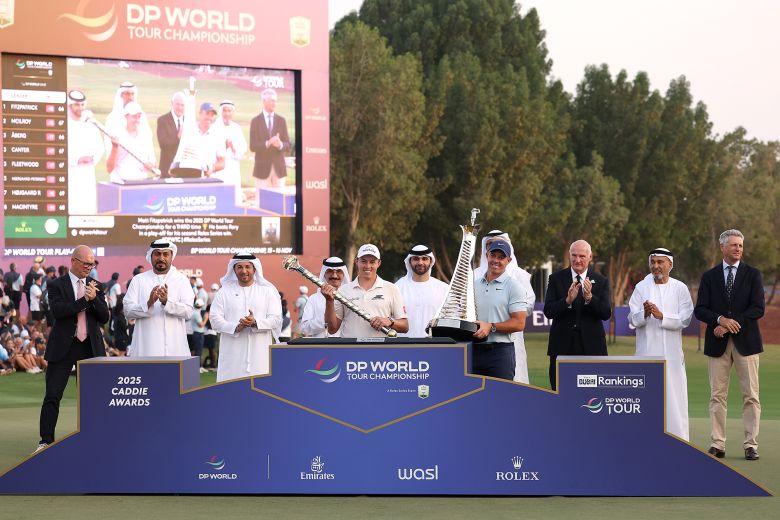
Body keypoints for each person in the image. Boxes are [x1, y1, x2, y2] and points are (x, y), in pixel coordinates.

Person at [694, 229, 765, 461]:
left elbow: (757, 308)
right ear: (722, 247)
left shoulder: (753, 275)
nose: (738, 249)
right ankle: (717, 444)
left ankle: (751, 445)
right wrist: (719, 320)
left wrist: (729, 324)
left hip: (747, 344)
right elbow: (700, 309)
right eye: (734, 245)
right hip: (717, 345)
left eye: (740, 245)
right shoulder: (709, 276)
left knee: (751, 396)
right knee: (717, 396)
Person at [36, 245, 109, 452]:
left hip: (90, 348)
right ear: (73, 261)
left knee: (92, 398)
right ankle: (45, 441)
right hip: (63, 348)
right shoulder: (56, 284)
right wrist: (85, 300)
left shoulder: (96, 285)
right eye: (86, 263)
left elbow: (104, 317)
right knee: (52, 395)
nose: (89, 267)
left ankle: (92, 439)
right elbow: (58, 311)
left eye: (92, 264)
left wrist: (94, 300)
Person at [628, 248, 693, 441]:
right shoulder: (641, 287)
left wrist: (662, 316)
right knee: (646, 398)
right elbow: (632, 318)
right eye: (653, 262)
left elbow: (686, 318)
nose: (656, 266)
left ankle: (678, 440)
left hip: (672, 356)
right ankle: (645, 439)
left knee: (675, 398)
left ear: (670, 265)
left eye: (660, 262)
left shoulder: (680, 288)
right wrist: (645, 313)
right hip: (646, 353)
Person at [543, 239, 611, 390]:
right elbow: (548, 311)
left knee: (592, 396)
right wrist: (567, 300)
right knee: (560, 393)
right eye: (574, 255)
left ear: (590, 257)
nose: (577, 260)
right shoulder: (556, 279)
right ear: (569, 255)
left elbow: (606, 313)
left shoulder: (601, 281)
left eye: (582, 256)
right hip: (561, 348)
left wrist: (590, 298)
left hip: (592, 349)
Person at [209, 252, 282, 382]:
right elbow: (214, 319)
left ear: (254, 269)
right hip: (231, 358)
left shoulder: (267, 291)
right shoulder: (224, 292)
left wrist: (256, 322)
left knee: (259, 390)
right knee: (229, 390)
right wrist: (236, 327)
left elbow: (276, 319)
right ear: (234, 270)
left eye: (248, 267)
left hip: (259, 357)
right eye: (240, 267)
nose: (244, 271)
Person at [475, 230, 536, 383]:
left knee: (510, 389)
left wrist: (492, 325)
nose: (496, 260)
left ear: (508, 259)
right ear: (486, 254)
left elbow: (523, 314)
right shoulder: (474, 279)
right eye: (493, 254)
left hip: (505, 346)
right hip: (475, 349)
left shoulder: (518, 279)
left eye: (501, 257)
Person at [123, 238, 193, 356]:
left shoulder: (182, 280)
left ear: (171, 256)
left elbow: (188, 312)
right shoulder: (138, 280)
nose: (161, 258)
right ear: (151, 256)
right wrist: (148, 303)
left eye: (165, 254)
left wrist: (167, 302)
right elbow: (127, 310)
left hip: (175, 350)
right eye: (157, 254)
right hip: (146, 350)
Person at [323, 244, 408, 338]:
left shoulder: (391, 288)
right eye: (363, 261)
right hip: (350, 346)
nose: (368, 266)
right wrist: (329, 301)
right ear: (356, 261)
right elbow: (332, 329)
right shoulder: (343, 290)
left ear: (379, 263)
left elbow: (405, 326)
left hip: (381, 347)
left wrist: (389, 321)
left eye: (372, 262)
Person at [395, 244, 448, 338]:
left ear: (430, 261)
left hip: (434, 344)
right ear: (410, 261)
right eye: (416, 259)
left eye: (424, 259)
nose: (420, 262)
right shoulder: (397, 288)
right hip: (403, 344)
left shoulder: (444, 289)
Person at [66, 89, 103, 214]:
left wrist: (93, 159)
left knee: (88, 206)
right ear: (69, 106)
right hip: (71, 173)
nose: (80, 108)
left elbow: (100, 147)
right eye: (77, 105)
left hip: (88, 173)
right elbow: (59, 150)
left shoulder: (90, 124)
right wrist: (76, 160)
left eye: (82, 104)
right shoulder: (64, 125)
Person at [171, 98, 225, 178]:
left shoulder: (217, 135)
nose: (209, 117)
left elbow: (222, 163)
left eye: (212, 115)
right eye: (207, 114)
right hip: (188, 175)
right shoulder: (189, 131)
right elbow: (180, 150)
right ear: (200, 113)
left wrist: (212, 168)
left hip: (208, 178)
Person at [249, 88, 291, 188]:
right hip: (261, 170)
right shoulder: (255, 121)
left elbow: (288, 145)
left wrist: (280, 145)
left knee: (280, 198)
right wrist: (267, 143)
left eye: (275, 101)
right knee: (262, 198)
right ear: (264, 101)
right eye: (272, 101)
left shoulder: (281, 121)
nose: (275, 103)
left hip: (279, 170)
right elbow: (252, 146)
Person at [106, 101, 157, 183]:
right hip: (121, 183)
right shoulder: (117, 136)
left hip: (141, 182)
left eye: (139, 117)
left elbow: (153, 163)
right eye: (134, 116)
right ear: (126, 116)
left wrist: (150, 166)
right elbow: (109, 168)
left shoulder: (146, 135)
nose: (137, 120)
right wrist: (114, 148)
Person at [300, 257, 349, 338]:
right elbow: (304, 328)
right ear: (324, 274)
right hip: (321, 344)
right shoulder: (314, 299)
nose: (334, 276)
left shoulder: (350, 298)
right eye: (330, 271)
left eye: (338, 271)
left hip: (346, 344)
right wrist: (327, 320)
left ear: (344, 274)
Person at [104, 81, 152, 150]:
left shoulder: (141, 115)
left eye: (132, 94)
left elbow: (148, 138)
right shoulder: (112, 117)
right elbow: (109, 143)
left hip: (139, 154)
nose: (131, 97)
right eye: (127, 94)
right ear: (121, 95)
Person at [216, 99, 248, 205]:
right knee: (220, 197)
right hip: (219, 170)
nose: (227, 114)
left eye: (229, 111)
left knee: (234, 197)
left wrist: (234, 148)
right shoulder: (214, 127)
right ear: (221, 112)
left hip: (233, 167)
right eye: (224, 111)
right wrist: (224, 147)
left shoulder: (236, 128)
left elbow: (243, 148)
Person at [157, 91, 186, 177]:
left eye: (182, 105)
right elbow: (163, 144)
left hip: (184, 170)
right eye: (177, 104)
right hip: (167, 169)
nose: (180, 107)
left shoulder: (188, 122)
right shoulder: (163, 120)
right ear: (172, 103)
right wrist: (178, 137)